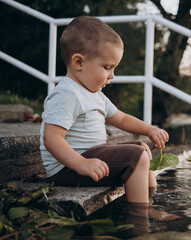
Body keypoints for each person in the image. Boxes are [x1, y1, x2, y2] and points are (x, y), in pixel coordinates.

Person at [40, 16, 177, 222]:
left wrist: (149, 130)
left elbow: (121, 118)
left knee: (142, 148)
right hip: (67, 168)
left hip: (89, 157)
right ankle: (140, 217)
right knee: (136, 156)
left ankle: (150, 201)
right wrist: (81, 164)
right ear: (79, 62)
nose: (112, 75)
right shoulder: (67, 94)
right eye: (107, 67)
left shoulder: (94, 94)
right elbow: (52, 138)